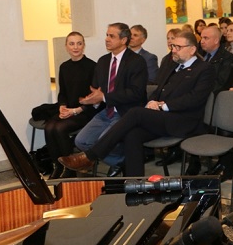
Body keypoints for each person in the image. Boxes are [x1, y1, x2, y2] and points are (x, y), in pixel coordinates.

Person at [59, 31, 215, 177]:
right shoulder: (172, 65)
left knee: (135, 112)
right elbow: (158, 89)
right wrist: (153, 101)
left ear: (192, 49)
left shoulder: (204, 69)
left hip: (185, 121)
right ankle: (134, 183)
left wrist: (162, 105)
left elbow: (195, 98)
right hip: (163, 119)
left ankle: (91, 156)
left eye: (178, 47)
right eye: (173, 46)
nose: (173, 50)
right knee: (132, 134)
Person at [74, 23, 148, 176]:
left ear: (124, 40)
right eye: (107, 35)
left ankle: (125, 160)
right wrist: (92, 100)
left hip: (126, 112)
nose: (107, 39)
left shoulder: (136, 61)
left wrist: (104, 97)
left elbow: (136, 93)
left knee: (103, 140)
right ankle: (121, 161)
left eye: (111, 36)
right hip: (106, 111)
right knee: (81, 141)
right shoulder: (103, 61)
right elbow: (97, 89)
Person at [45, 32, 99, 179]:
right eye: (72, 44)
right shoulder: (64, 67)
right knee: (49, 127)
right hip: (68, 110)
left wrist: (76, 110)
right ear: (66, 47)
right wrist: (62, 106)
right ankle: (57, 166)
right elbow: (62, 93)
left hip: (85, 111)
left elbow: (95, 98)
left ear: (84, 46)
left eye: (79, 43)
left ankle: (69, 168)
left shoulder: (92, 66)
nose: (75, 47)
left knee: (60, 128)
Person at [200, 25, 233, 94]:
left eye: (206, 38)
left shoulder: (227, 58)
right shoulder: (199, 55)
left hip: (214, 95)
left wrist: (200, 91)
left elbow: (220, 84)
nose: (202, 41)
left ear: (216, 40)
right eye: (201, 38)